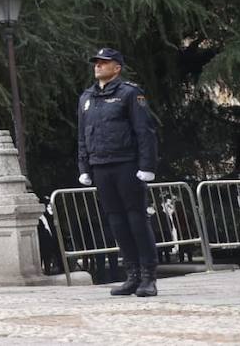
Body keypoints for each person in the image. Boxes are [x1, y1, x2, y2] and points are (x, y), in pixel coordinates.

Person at [77, 47, 160, 297]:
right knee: (116, 221)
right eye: (97, 63)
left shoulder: (129, 94)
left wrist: (147, 167)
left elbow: (145, 132)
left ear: (117, 67)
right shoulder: (86, 98)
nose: (98, 66)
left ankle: (148, 276)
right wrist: (84, 167)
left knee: (136, 218)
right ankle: (132, 274)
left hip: (126, 163)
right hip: (101, 165)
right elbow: (82, 135)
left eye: (104, 62)